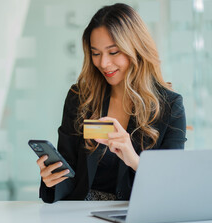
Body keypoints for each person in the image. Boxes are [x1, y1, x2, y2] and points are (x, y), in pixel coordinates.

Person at [36, 3, 186, 203]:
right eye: (96, 53)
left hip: (135, 215)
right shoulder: (79, 97)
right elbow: (69, 178)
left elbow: (173, 184)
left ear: (136, 49)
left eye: (113, 52)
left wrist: (133, 159)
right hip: (80, 217)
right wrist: (50, 179)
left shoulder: (170, 106)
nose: (103, 63)